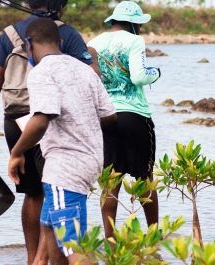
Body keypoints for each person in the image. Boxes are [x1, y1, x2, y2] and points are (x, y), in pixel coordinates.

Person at [0, 0, 98, 263]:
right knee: (53, 189)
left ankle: (33, 259)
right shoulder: (66, 33)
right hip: (48, 119)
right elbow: (87, 76)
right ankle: (43, 259)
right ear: (59, 6)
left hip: (15, 119)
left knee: (32, 192)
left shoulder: (9, 34)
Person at [7, 18, 116, 265]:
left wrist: (17, 152)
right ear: (62, 42)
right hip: (89, 161)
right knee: (49, 228)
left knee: (73, 244)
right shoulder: (84, 69)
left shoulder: (41, 72)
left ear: (28, 45)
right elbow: (110, 114)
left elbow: (41, 119)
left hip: (65, 167)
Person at [86, 1, 161, 239]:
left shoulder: (93, 43)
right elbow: (139, 77)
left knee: (110, 179)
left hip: (105, 117)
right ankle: (152, 235)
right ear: (133, 24)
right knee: (144, 177)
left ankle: (109, 237)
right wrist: (156, 73)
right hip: (134, 115)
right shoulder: (134, 40)